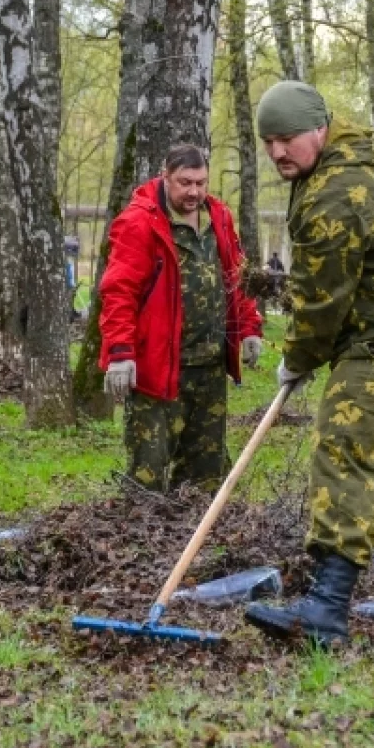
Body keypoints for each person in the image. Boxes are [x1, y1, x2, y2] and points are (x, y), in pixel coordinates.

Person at [243, 81, 374, 645]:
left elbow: (322, 297)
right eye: (268, 143)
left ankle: (327, 608)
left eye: (286, 139)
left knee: (345, 444)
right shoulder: (334, 169)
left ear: (319, 130)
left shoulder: (337, 192)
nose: (278, 152)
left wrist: (298, 356)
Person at [98, 143, 264, 493]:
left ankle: (194, 542)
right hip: (159, 370)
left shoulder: (218, 216)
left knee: (205, 476)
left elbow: (237, 275)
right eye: (185, 182)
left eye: (201, 183)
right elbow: (118, 292)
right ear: (165, 177)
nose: (194, 192)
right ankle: (143, 542)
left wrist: (249, 327)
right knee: (148, 474)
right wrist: (120, 353)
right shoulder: (139, 222)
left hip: (209, 368)